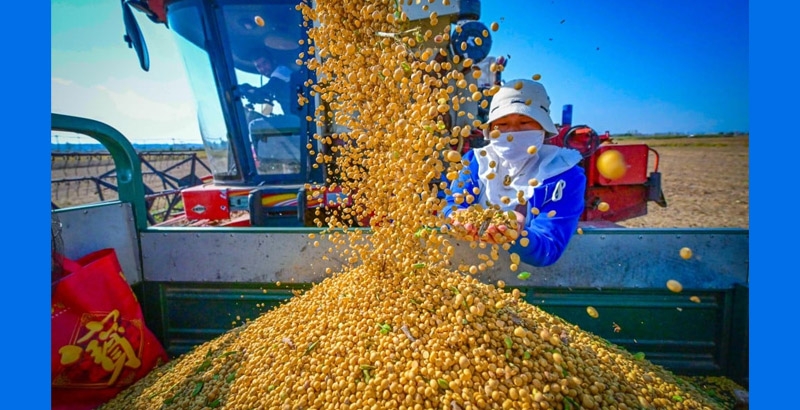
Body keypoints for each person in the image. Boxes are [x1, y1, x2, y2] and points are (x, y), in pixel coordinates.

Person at [442, 79, 586, 267]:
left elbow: (549, 247)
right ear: (491, 129)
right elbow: (452, 203)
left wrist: (515, 235)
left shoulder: (563, 174)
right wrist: (455, 216)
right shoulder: (477, 160)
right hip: (469, 266)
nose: (512, 133)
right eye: (502, 124)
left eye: (524, 122)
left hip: (530, 278)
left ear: (542, 127)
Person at [239, 49, 295, 114]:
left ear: (273, 61)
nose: (263, 68)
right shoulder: (277, 79)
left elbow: (269, 88)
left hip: (300, 117)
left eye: (264, 63)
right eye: (258, 66)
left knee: (254, 124)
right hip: (293, 116)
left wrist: (250, 89)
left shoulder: (282, 70)